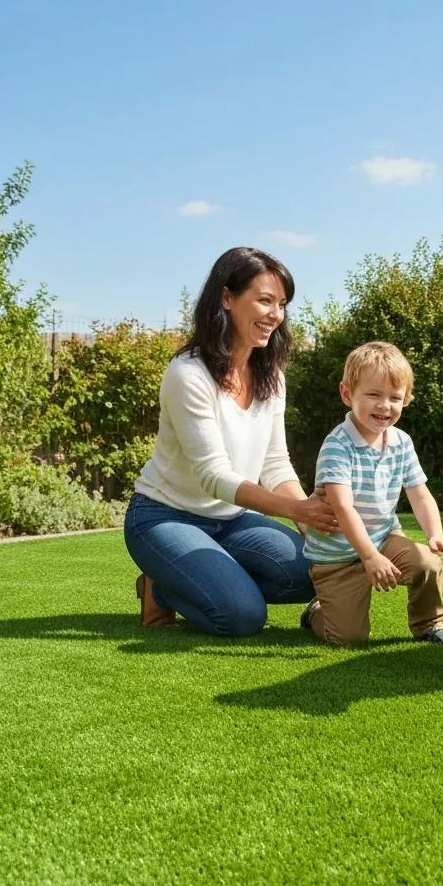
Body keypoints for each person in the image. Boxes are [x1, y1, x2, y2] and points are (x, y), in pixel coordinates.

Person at [124, 247, 335, 636]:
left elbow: (275, 462)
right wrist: (296, 509)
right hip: (164, 515)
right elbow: (213, 476)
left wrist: (305, 516)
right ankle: (163, 588)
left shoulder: (271, 375)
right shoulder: (188, 374)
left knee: (317, 573)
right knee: (241, 616)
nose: (275, 314)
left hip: (230, 520)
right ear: (226, 298)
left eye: (282, 304)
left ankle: (206, 576)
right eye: (265, 300)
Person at [301, 341, 443, 646]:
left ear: (406, 400)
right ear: (347, 394)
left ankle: (430, 623)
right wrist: (369, 557)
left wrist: (435, 534)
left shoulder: (401, 442)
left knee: (427, 562)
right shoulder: (337, 446)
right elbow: (342, 509)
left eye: (395, 398)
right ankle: (316, 612)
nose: (384, 405)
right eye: (373, 394)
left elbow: (419, 493)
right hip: (337, 555)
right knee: (348, 638)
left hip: (383, 538)